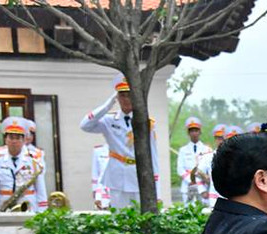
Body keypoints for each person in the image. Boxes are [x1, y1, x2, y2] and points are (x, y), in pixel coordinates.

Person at [79, 73, 160, 208]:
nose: (126, 99)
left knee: (140, 218)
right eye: (122, 95)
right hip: (117, 177)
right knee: (119, 216)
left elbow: (153, 156)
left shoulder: (146, 122)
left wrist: (156, 187)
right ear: (117, 97)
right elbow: (85, 125)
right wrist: (107, 106)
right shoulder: (109, 121)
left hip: (139, 176)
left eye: (129, 95)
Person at [0, 116, 48, 213]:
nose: (14, 141)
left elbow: (40, 188)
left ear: (23, 140)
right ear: (5, 140)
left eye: (18, 138)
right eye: (11, 138)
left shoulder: (34, 159)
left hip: (29, 207)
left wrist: (42, 211)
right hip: (4, 207)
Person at [177, 116, 212, 204]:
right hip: (188, 186)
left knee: (204, 211)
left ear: (200, 132)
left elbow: (209, 170)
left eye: (196, 130)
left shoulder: (207, 150)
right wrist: (191, 181)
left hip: (204, 188)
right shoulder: (183, 150)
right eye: (191, 131)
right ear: (188, 133)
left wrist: (201, 184)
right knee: (188, 211)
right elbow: (180, 169)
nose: (194, 133)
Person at [202, 123, 227, 208]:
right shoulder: (208, 157)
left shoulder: (233, 156)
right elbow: (198, 172)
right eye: (218, 138)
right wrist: (202, 189)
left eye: (222, 138)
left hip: (229, 199)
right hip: (214, 199)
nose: (220, 141)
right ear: (215, 139)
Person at [91, 143, 111, 209]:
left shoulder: (126, 149)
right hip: (103, 188)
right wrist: (95, 192)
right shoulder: (99, 151)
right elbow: (95, 173)